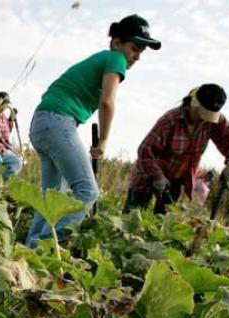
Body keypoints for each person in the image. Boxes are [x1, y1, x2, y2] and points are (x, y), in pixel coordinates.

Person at [25, 14, 161, 249]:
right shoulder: (115, 58)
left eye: (142, 52)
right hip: (58, 121)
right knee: (87, 192)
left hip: (42, 122)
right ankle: (40, 250)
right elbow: (107, 102)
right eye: (134, 48)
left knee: (51, 200)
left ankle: (27, 253)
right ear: (117, 43)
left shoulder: (102, 58)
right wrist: (104, 140)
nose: (137, 56)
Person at [124, 84, 229, 214]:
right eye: (204, 112)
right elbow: (145, 151)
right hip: (148, 175)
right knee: (133, 217)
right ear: (195, 103)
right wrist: (158, 177)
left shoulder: (212, 121)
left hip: (175, 180)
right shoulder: (171, 119)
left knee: (162, 223)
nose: (206, 118)